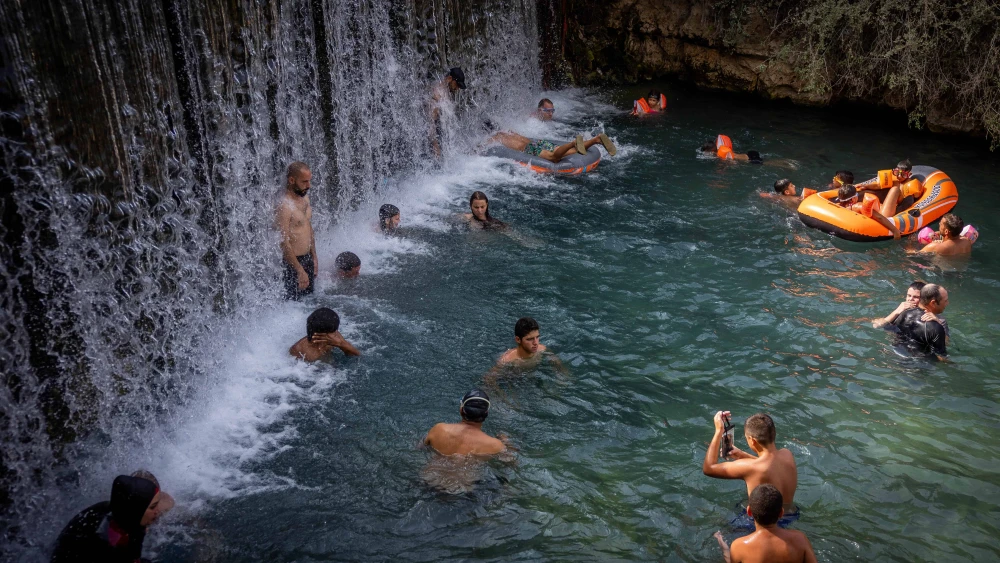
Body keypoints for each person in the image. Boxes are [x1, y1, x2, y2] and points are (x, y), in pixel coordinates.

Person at [51, 473, 172, 563]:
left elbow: (167, 501)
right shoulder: (114, 540)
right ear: (137, 507)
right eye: (153, 507)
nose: (157, 511)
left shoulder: (117, 506)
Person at [703, 412, 799, 520]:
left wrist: (718, 431)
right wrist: (742, 455)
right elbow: (768, 467)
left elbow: (709, 468)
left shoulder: (750, 467)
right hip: (792, 514)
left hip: (761, 522)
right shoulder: (787, 454)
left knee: (718, 533)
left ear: (752, 441)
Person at [713, 484, 818, 563]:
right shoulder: (800, 539)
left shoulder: (739, 546)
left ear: (749, 512)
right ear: (781, 513)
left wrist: (723, 546)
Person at [276, 161, 318, 300]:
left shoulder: (304, 198)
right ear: (292, 180)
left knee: (309, 302)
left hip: (308, 259)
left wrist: (314, 257)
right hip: (293, 264)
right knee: (295, 306)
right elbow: (283, 243)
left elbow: (308, 228)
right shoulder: (284, 207)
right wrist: (299, 270)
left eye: (309, 181)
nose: (309, 185)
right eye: (304, 182)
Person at [423, 389, 509, 456]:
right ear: (486, 413)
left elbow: (421, 447)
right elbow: (510, 461)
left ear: (461, 410)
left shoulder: (439, 429)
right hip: (469, 479)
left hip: (426, 478)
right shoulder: (495, 445)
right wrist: (505, 443)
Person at [892, 283, 949, 360]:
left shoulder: (904, 313)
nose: (947, 303)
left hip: (894, 355)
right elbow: (942, 355)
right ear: (933, 303)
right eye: (945, 301)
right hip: (918, 366)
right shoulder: (935, 327)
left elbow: (891, 333)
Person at [488, 130, 617, 163]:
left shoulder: (496, 137)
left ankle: (573, 143)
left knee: (554, 158)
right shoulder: (507, 131)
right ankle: (596, 139)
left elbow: (482, 148)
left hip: (529, 148)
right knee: (563, 151)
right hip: (537, 142)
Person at [289, 307, 360, 362]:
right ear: (320, 335)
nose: (335, 334)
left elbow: (357, 356)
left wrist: (342, 344)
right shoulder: (300, 350)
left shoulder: (334, 336)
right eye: (333, 332)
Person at [856, 159, 920, 217]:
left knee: (907, 197)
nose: (899, 176)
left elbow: (915, 197)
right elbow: (878, 186)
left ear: (909, 174)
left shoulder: (910, 185)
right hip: (884, 202)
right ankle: (853, 200)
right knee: (871, 190)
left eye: (903, 175)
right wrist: (865, 186)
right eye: (897, 173)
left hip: (895, 208)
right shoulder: (893, 179)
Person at [832, 184, 900, 239]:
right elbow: (879, 217)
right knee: (895, 189)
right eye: (857, 195)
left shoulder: (838, 206)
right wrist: (895, 231)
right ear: (853, 199)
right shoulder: (858, 206)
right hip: (885, 219)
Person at [429, 67, 465, 157]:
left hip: (440, 136)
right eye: (457, 84)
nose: (458, 88)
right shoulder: (436, 94)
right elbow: (430, 122)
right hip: (430, 139)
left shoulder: (446, 91)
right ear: (449, 79)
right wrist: (435, 144)